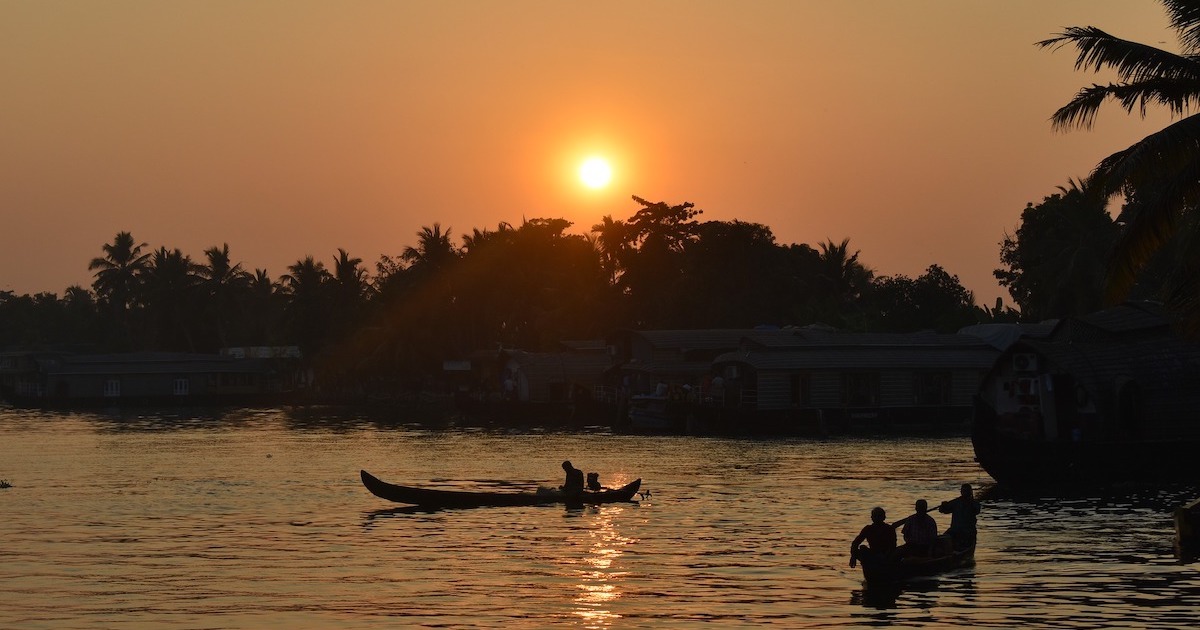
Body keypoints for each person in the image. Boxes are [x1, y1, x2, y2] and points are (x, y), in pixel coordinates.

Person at [939, 483, 981, 549]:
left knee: (963, 543)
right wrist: (943, 506)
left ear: (970, 492)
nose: (964, 493)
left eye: (966, 491)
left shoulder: (974, 503)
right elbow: (943, 510)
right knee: (942, 540)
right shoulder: (956, 502)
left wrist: (969, 503)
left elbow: (976, 511)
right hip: (954, 531)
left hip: (968, 532)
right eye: (963, 491)